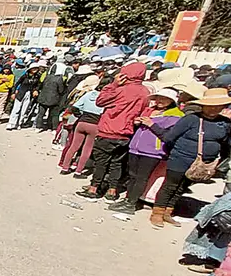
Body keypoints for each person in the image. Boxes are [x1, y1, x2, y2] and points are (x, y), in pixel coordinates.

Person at [148, 89, 231, 228]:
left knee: (182, 187)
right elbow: (169, 137)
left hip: (203, 163)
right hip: (180, 158)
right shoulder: (191, 119)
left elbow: (226, 144)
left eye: (218, 106)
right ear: (203, 105)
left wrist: (218, 162)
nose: (214, 109)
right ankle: (157, 212)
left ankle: (168, 211)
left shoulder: (225, 123)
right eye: (211, 105)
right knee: (170, 186)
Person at [77, 62, 150, 201]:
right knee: (117, 163)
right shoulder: (145, 92)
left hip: (108, 130)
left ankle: (94, 189)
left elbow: (100, 101)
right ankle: (112, 191)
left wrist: (113, 85)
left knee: (101, 163)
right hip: (126, 133)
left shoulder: (120, 90)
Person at [108, 88, 184, 215]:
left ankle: (131, 203)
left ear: (171, 100)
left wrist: (151, 124)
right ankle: (127, 199)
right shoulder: (152, 110)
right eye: (158, 98)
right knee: (132, 175)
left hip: (152, 151)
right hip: (136, 148)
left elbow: (169, 136)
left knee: (141, 177)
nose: (160, 101)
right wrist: (137, 122)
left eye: (164, 99)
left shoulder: (176, 116)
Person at [59, 80, 107, 176]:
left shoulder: (89, 94)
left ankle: (65, 168)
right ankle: (78, 171)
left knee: (73, 146)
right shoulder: (106, 98)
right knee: (87, 149)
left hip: (82, 122)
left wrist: (80, 115)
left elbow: (74, 107)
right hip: (95, 124)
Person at [6, 62, 44, 130]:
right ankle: (11, 123)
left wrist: (36, 90)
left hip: (29, 94)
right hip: (21, 93)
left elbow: (38, 85)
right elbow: (17, 83)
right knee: (16, 109)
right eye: (33, 68)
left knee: (24, 110)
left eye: (36, 68)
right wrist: (13, 93)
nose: (35, 70)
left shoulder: (37, 76)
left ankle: (19, 123)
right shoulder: (25, 75)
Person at [35, 61, 69, 131]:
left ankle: (38, 127)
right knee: (54, 115)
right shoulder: (59, 78)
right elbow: (61, 90)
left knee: (41, 114)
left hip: (43, 97)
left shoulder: (47, 76)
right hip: (54, 99)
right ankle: (53, 128)